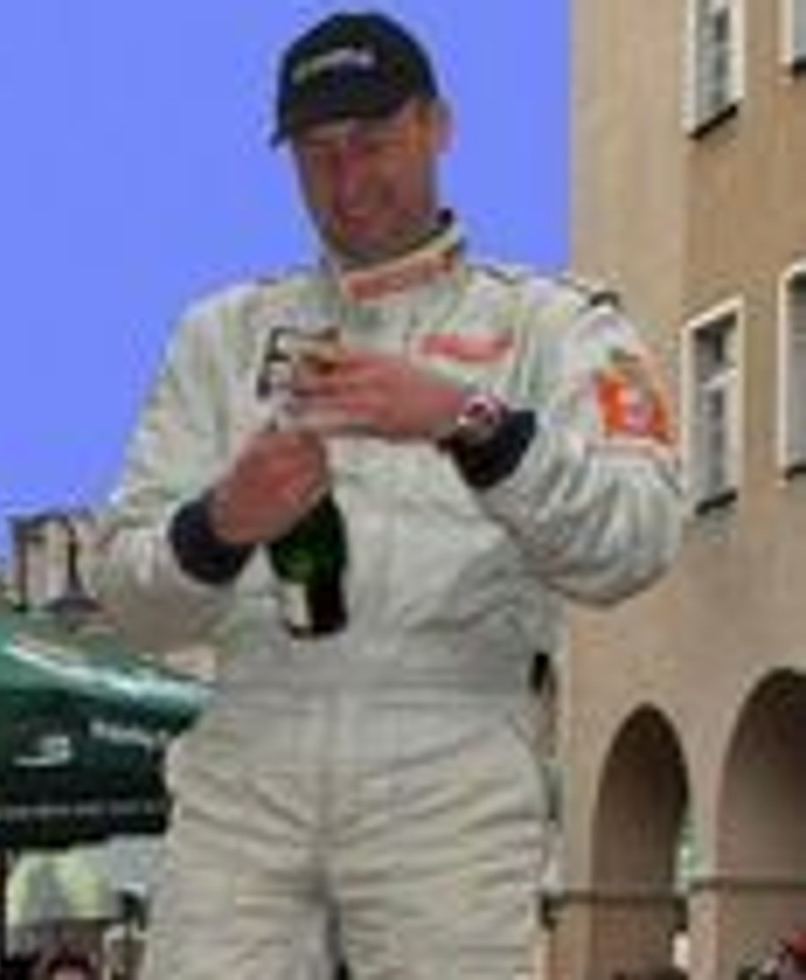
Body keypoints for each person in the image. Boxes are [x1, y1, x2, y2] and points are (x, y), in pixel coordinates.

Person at [93, 10, 683, 978]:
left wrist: (474, 425)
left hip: (452, 757)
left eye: (372, 140)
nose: (346, 178)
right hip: (246, 755)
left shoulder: (554, 326)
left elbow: (638, 536)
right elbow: (127, 596)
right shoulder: (220, 336)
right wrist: (221, 524)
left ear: (437, 126)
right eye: (316, 152)